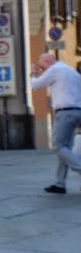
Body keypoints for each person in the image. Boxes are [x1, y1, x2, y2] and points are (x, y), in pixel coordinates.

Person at [30, 51, 81, 193]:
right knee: (65, 148)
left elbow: (36, 85)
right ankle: (60, 183)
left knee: (58, 147)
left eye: (42, 67)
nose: (42, 70)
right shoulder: (72, 72)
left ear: (47, 62)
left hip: (64, 112)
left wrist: (33, 74)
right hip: (77, 111)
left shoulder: (55, 69)